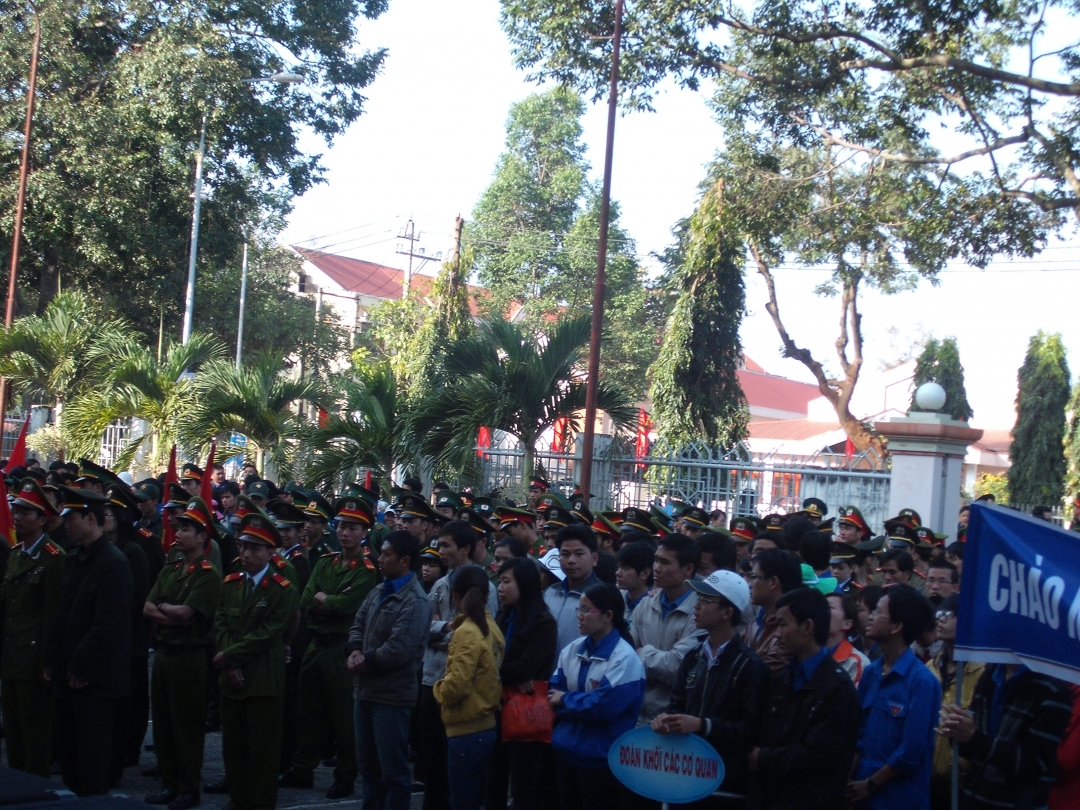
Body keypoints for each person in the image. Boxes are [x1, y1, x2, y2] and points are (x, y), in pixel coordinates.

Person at [280, 497, 379, 798]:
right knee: (309, 712)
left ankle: (346, 774)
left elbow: (346, 605)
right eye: (342, 526)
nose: (345, 533)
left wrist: (326, 599)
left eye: (353, 527)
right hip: (316, 645)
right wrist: (326, 600)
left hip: (341, 649)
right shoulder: (325, 562)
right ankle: (302, 769)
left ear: (365, 532)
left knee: (343, 717)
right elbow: (306, 599)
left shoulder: (366, 569)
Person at [46, 486, 134, 797]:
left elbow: (108, 626)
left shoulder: (113, 563)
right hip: (67, 676)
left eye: (72, 517)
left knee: (91, 763)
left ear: (90, 518)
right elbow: (62, 615)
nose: (66, 523)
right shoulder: (74, 559)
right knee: (70, 760)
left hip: (93, 682)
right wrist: (53, 660)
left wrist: (80, 666)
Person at [653, 570, 769, 799]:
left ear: (727, 612)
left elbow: (750, 730)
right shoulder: (694, 657)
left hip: (725, 782)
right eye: (698, 598)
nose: (697, 606)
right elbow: (677, 706)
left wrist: (702, 725)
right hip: (685, 773)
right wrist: (666, 720)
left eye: (706, 600)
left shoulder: (750, 666)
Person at [215, 514, 300, 810]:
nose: (246, 554)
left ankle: (260, 803)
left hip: (263, 679)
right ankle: (237, 801)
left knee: (262, 750)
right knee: (234, 747)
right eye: (243, 546)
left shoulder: (282, 588)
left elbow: (269, 633)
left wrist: (229, 656)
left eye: (254, 549)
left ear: (270, 553)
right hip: (232, 678)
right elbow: (221, 625)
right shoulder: (231, 583)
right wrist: (229, 664)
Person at [749, 587, 861, 810]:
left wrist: (762, 758)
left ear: (808, 627)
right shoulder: (781, 680)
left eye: (783, 624)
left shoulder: (837, 688)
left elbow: (818, 756)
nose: (778, 634)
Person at [143, 498, 222, 810]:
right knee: (163, 723)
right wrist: (168, 611)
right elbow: (148, 607)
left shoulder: (208, 574)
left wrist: (166, 610)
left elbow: (189, 614)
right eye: (179, 527)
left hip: (189, 656)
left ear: (202, 536)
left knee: (185, 725)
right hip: (164, 653)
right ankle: (170, 783)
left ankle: (188, 787)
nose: (177, 532)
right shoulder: (172, 567)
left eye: (186, 529)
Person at [347, 530, 432, 810]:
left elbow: (399, 649)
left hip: (392, 698)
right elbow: (358, 623)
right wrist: (354, 649)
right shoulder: (379, 589)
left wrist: (364, 660)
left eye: (386, 554)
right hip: (366, 692)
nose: (380, 558)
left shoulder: (415, 601)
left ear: (405, 561)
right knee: (368, 770)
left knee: (393, 774)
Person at [421, 520, 500, 810]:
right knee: (433, 763)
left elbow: (479, 635)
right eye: (439, 545)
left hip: (464, 690)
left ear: (465, 548)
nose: (440, 551)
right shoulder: (441, 584)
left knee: (462, 778)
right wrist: (443, 630)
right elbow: (423, 627)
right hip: (433, 678)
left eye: (446, 546)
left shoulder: (483, 586)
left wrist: (441, 630)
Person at [548, 583, 646, 810]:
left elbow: (604, 706)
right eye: (578, 610)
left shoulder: (624, 659)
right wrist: (566, 701)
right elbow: (553, 693)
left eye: (585, 610)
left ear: (608, 616)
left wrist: (566, 700)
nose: (579, 616)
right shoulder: (572, 650)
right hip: (567, 751)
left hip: (603, 759)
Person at [848, 584, 941, 810]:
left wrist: (871, 784)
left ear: (897, 626)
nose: (870, 617)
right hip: (860, 795)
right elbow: (858, 734)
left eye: (878, 612)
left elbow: (911, 751)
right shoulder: (872, 673)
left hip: (898, 799)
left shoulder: (922, 682)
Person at [939, 661, 1071, 810]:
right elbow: (971, 751)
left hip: (1017, 803)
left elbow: (1034, 764)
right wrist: (957, 730)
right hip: (973, 798)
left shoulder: (1053, 689)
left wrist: (975, 738)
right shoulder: (991, 673)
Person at [1, 479, 65, 776]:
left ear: (42, 519)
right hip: (12, 656)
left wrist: (48, 662)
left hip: (34, 658)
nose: (17, 517)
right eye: (15, 511)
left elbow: (54, 615)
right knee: (13, 730)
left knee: (35, 730)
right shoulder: (16, 554)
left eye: (26, 512)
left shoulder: (54, 559)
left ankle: (37, 788)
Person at [487, 558, 558, 810]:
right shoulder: (504, 615)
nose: (500, 588)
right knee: (493, 779)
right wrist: (510, 675)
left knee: (523, 784)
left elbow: (525, 667)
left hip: (524, 713)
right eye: (500, 581)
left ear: (525, 584)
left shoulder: (543, 622)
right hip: (495, 706)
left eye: (507, 582)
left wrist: (493, 671)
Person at [433, 566, 506, 810]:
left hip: (466, 728)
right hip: (485, 723)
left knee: (463, 800)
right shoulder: (491, 626)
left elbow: (457, 686)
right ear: (487, 595)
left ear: (455, 595)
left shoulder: (467, 631)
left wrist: (439, 690)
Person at [630, 534, 705, 723]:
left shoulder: (700, 611)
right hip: (637, 713)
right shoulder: (646, 604)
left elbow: (677, 668)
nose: (656, 568)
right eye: (656, 560)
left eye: (664, 562)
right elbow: (627, 659)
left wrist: (644, 653)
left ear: (688, 569)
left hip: (674, 719)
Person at [925, 595, 984, 809]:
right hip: (925, 779)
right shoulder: (929, 668)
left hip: (962, 784)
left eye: (948, 616)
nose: (940, 620)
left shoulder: (983, 672)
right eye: (939, 615)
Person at [544, 524, 603, 655]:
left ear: (594, 558)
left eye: (579, 554)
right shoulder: (550, 594)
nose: (571, 560)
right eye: (565, 554)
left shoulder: (603, 598)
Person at [744, 548, 804, 673]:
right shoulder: (755, 624)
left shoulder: (791, 630)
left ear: (773, 582)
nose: (749, 584)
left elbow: (759, 676)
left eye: (754, 577)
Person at [827, 592, 871, 686]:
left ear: (847, 624)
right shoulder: (806, 652)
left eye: (829, 607)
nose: (821, 611)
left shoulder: (857, 662)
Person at [615, 541, 654, 634]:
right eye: (619, 567)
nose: (618, 573)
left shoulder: (655, 606)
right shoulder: (615, 597)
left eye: (625, 568)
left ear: (645, 573)